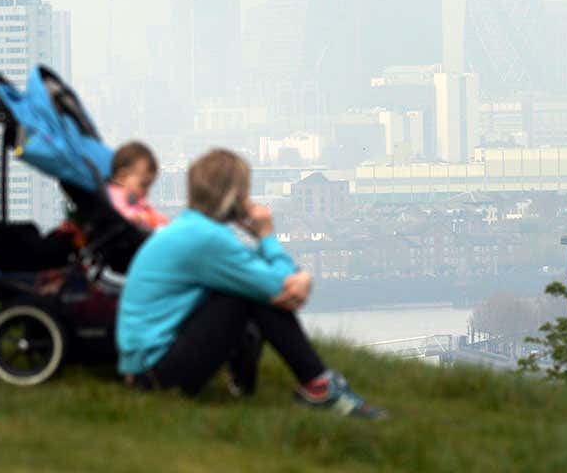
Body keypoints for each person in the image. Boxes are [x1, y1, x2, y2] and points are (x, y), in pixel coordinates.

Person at [115, 148, 383, 417]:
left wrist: (292, 278)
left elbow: (258, 274)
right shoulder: (208, 238)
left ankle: (273, 385)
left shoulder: (192, 228)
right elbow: (277, 286)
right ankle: (320, 386)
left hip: (143, 368)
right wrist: (267, 236)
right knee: (247, 296)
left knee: (245, 288)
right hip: (155, 373)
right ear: (234, 196)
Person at [107, 142, 170, 231]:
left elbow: (150, 212)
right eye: (143, 185)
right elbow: (120, 213)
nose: (146, 192)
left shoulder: (136, 198)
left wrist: (165, 222)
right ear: (122, 177)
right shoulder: (113, 195)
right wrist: (140, 217)